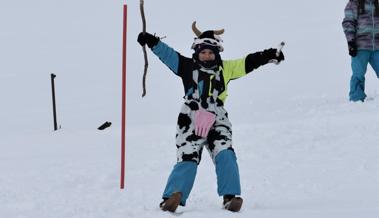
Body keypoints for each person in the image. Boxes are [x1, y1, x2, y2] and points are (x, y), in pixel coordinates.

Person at [137, 22, 284, 213]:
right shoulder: (186, 66)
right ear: (197, 52)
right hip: (191, 117)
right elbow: (168, 54)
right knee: (188, 157)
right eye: (203, 52)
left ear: (217, 53)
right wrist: (152, 41)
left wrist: (269, 54)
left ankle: (230, 197)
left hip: (217, 117)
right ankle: (171, 197)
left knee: (225, 153)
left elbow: (248, 62)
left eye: (211, 52)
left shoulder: (226, 69)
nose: (207, 56)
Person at [342, 0, 379, 102]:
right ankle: (356, 98)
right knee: (358, 73)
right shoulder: (354, 3)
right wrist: (351, 42)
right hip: (360, 47)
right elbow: (348, 23)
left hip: (377, 46)